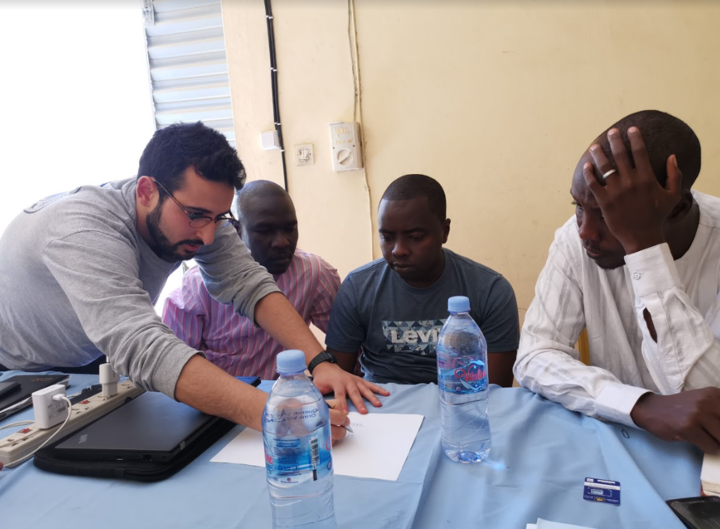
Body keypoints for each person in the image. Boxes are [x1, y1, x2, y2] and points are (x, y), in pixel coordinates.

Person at [0, 122, 388, 441]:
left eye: (218, 218)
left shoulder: (200, 213)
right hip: (17, 371)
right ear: (147, 191)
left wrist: (320, 362)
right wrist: (277, 416)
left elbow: (249, 284)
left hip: (90, 355)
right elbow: (141, 344)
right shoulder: (80, 230)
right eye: (196, 216)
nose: (207, 237)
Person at [515, 110, 720, 453]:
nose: (585, 232)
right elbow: (535, 356)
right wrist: (639, 405)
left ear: (679, 208)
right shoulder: (573, 240)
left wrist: (644, 249)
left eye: (610, 216)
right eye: (579, 207)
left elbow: (709, 404)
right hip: (617, 436)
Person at [325, 174, 520, 387]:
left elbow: (495, 391)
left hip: (460, 403)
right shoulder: (357, 288)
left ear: (444, 231)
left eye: (415, 237)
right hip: (381, 407)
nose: (398, 250)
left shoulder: (491, 290)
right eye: (387, 238)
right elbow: (337, 381)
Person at [162, 180, 341, 380]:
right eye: (265, 231)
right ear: (236, 230)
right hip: (218, 404)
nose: (282, 242)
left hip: (285, 400)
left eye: (290, 228)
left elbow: (347, 343)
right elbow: (173, 370)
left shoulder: (314, 275)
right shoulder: (196, 288)